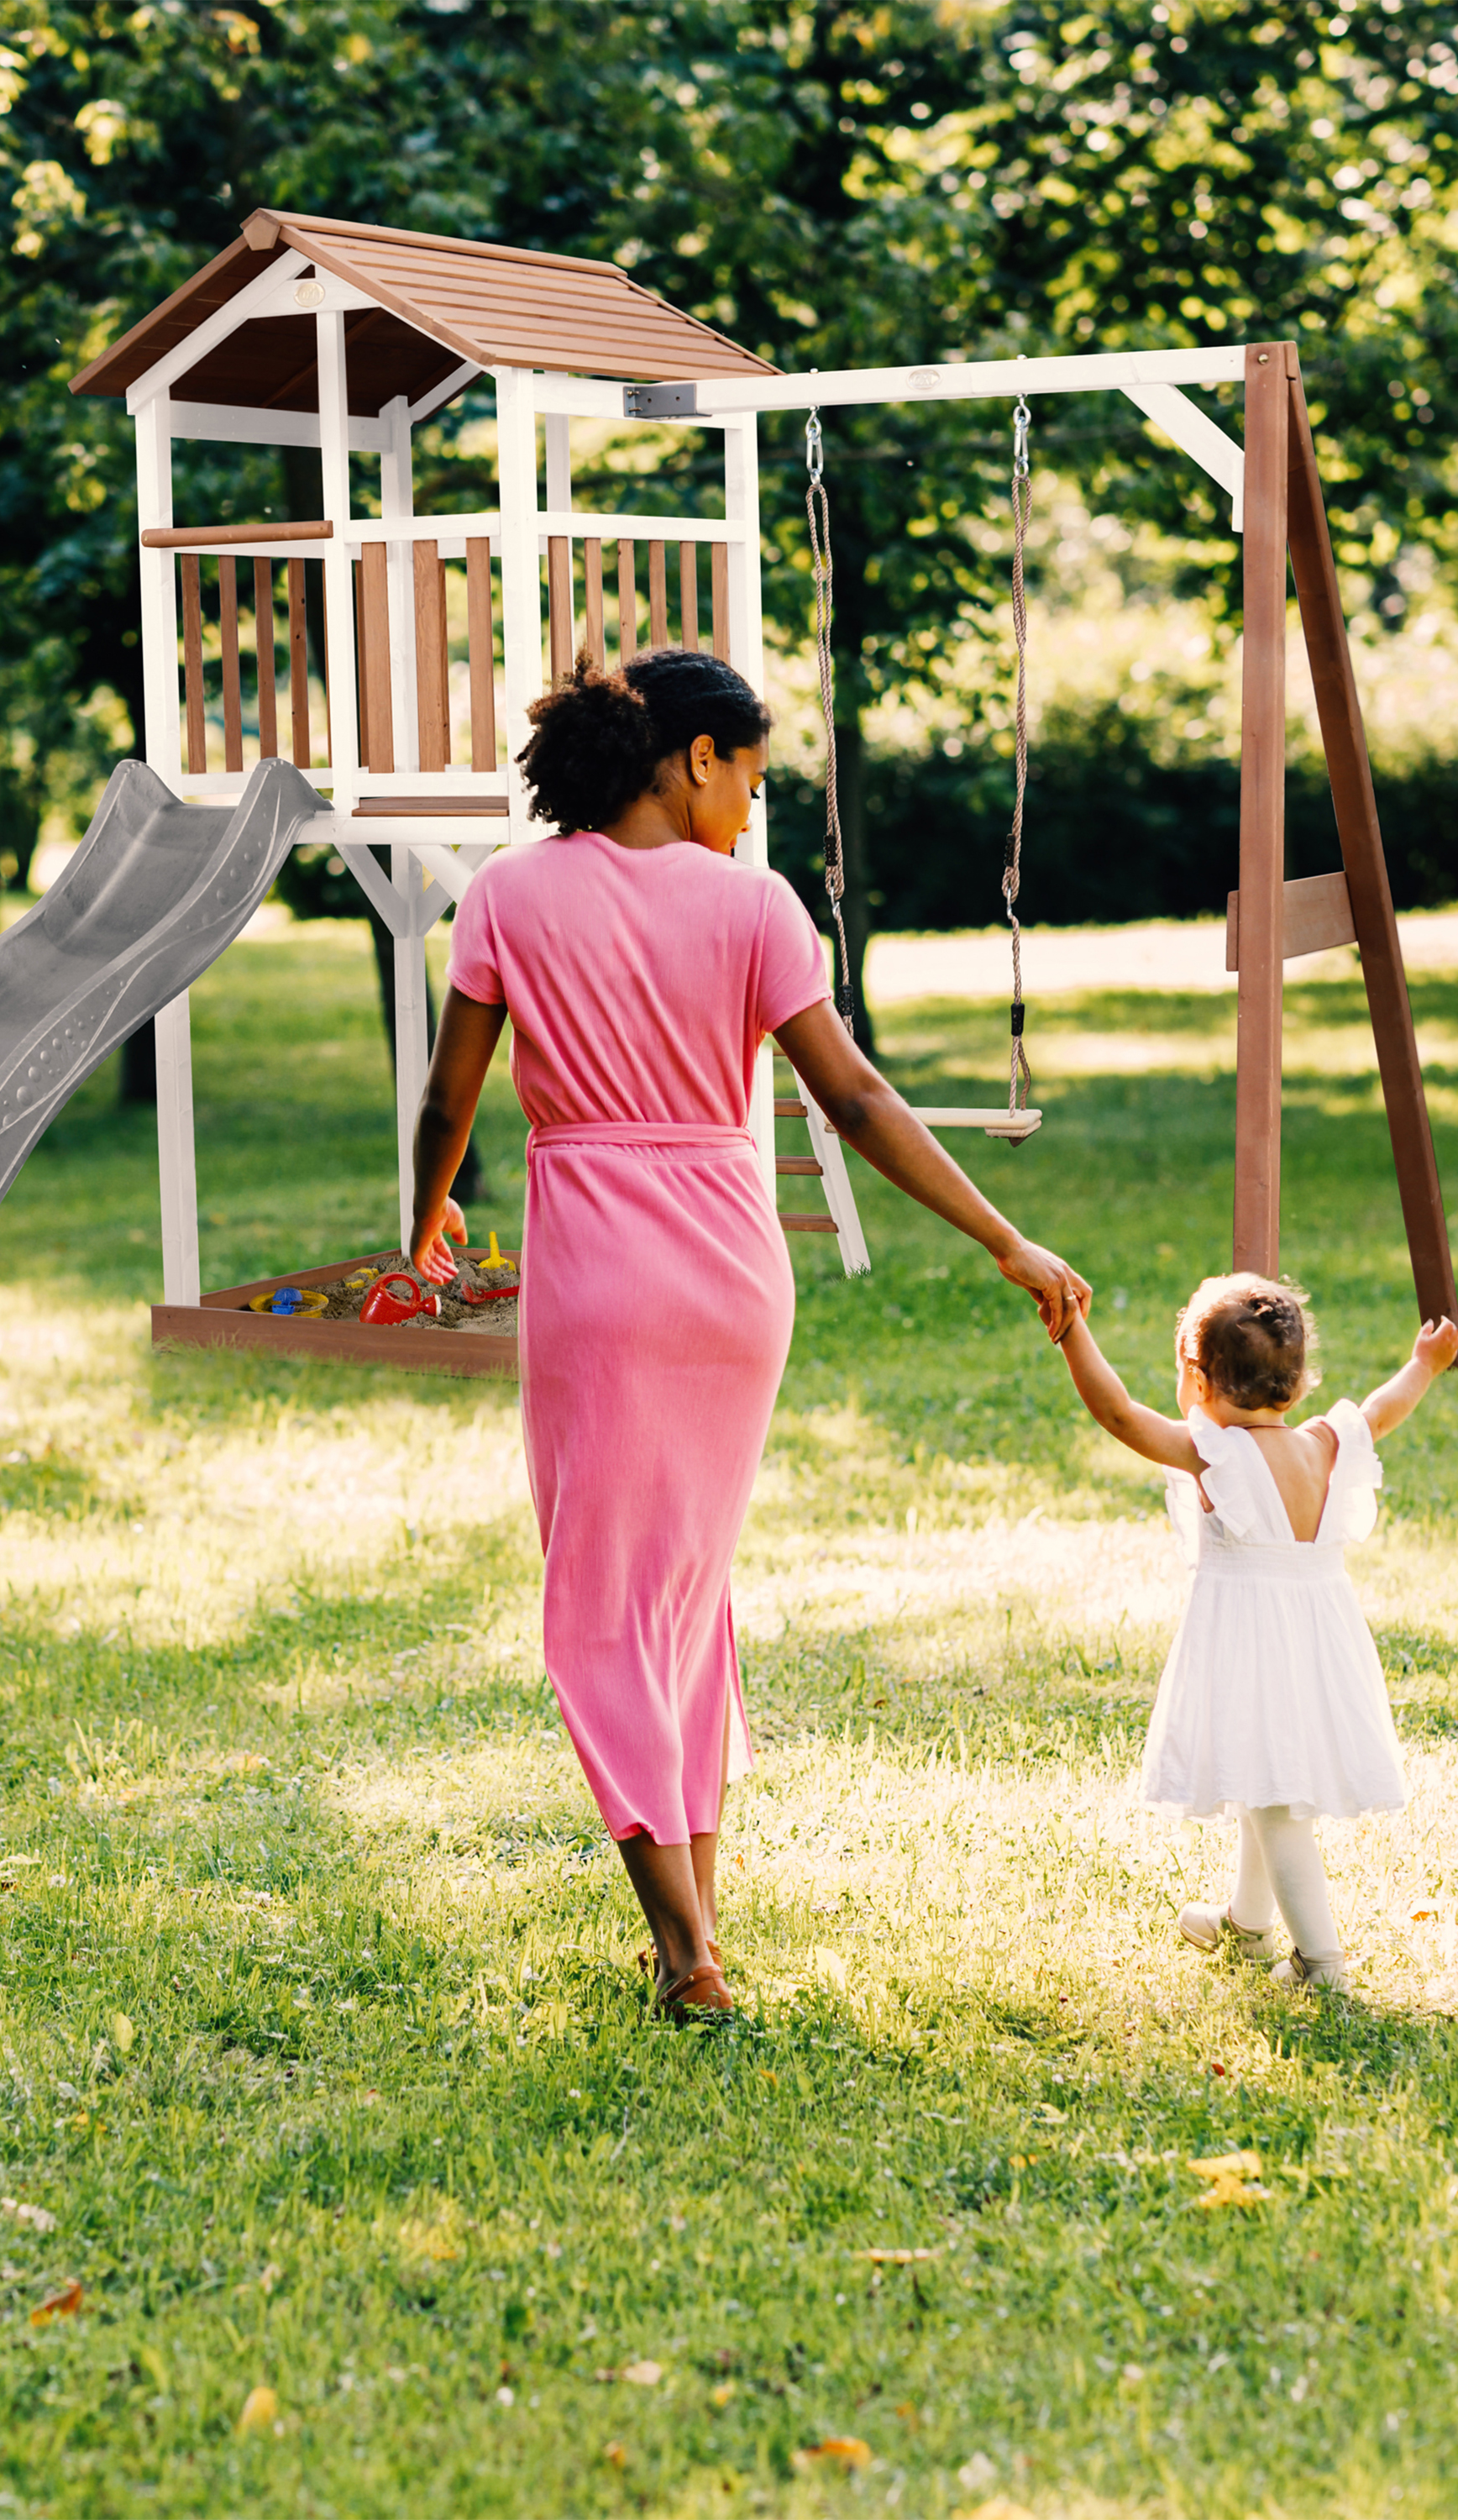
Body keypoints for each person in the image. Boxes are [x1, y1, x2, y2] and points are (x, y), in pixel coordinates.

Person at [406, 650, 1090, 2022]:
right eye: (751, 779)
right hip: (730, 1277)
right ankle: (698, 1924)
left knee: (604, 1609)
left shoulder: (508, 895)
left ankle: (684, 1952)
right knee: (682, 1597)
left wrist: (419, 1227)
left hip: (598, 1275)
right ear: (692, 758)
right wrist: (1002, 1236)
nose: (751, 809)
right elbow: (857, 1101)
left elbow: (449, 1101)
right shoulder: (756, 908)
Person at [1052, 1273, 1458, 1992]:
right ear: (1298, 1385)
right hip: (1318, 1641)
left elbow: (1118, 1414)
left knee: (1274, 1804)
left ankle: (1320, 1962)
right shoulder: (1324, 1444)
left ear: (1199, 1379)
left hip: (1252, 1645)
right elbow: (1381, 1409)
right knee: (1260, 1775)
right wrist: (1423, 1365)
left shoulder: (1217, 1456)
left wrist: (1071, 1330)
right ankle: (1246, 1925)